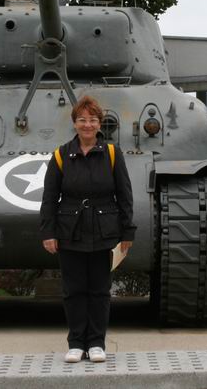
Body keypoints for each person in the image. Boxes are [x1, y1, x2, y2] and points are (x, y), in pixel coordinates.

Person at [40, 95, 136, 364]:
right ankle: (75, 343)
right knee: (73, 290)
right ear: (74, 123)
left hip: (104, 231)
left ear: (99, 124)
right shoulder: (61, 155)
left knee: (99, 290)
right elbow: (49, 197)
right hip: (70, 230)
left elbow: (124, 195)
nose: (87, 125)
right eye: (82, 120)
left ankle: (96, 343)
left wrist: (127, 232)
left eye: (93, 120)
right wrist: (48, 232)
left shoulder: (112, 154)